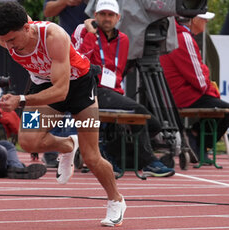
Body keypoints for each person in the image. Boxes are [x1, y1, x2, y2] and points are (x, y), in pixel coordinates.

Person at [0, 2, 126, 227]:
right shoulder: (4, 38)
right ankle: (66, 146)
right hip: (42, 86)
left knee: (92, 156)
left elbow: (61, 91)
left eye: (12, 40)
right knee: (28, 141)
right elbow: (14, 13)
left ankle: (116, 200)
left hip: (80, 87)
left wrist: (21, 100)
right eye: (4, 41)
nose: (8, 45)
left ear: (27, 28)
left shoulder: (54, 36)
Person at [71, 0, 175, 177]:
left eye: (110, 15)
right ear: (95, 16)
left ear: (118, 18)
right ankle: (148, 162)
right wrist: (90, 34)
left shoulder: (124, 39)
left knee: (154, 124)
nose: (106, 18)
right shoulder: (84, 31)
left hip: (112, 92)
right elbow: (78, 64)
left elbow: (118, 72)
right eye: (102, 14)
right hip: (89, 90)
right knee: (138, 113)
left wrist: (118, 92)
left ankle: (108, 150)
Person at [160, 12, 229, 161]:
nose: (206, 22)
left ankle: (196, 143)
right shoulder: (184, 37)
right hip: (184, 96)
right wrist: (207, 74)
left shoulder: (176, 36)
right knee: (225, 110)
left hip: (175, 95)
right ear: (194, 20)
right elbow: (201, 81)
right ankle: (197, 141)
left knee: (217, 106)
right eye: (203, 19)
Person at [42, 0, 89, 168]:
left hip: (92, 48)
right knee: (56, 95)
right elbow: (47, 11)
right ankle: (50, 149)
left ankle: (78, 148)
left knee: (79, 99)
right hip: (64, 48)